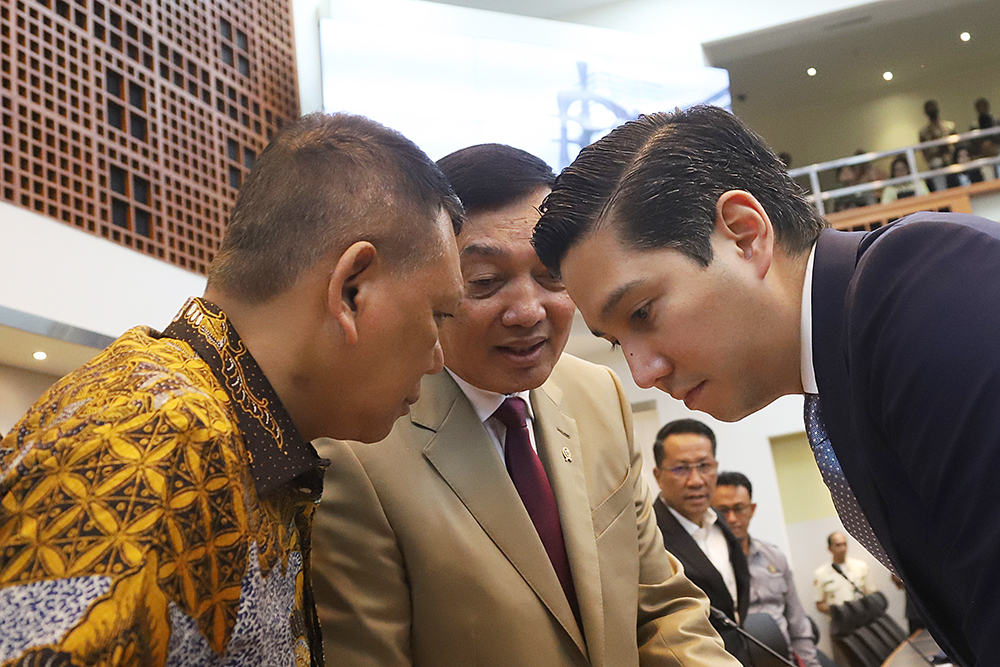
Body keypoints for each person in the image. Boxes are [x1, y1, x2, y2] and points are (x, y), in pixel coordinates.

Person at [532, 104, 1000, 667]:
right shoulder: (847, 355)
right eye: (614, 342)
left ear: (744, 233)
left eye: (643, 312)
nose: (642, 373)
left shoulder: (931, 286)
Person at [0, 112, 465, 666]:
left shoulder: (233, 432)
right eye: (438, 314)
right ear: (352, 290)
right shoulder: (158, 439)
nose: (438, 357)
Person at [312, 143, 739, 667]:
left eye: (550, 276)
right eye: (485, 283)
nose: (527, 311)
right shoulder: (356, 448)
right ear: (434, 285)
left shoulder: (597, 396)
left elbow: (661, 608)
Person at [651, 419, 751, 664]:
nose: (696, 480)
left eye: (704, 466)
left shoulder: (719, 520)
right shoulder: (649, 537)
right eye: (681, 469)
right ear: (658, 476)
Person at [714, 472, 822, 667]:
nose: (731, 518)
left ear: (752, 509)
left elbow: (798, 624)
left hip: (786, 660)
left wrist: (810, 664)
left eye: (739, 509)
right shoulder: (710, 568)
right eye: (723, 510)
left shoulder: (774, 557)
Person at [813, 532, 873, 613]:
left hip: (863, 615)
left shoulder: (861, 567)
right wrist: (838, 611)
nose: (842, 548)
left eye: (844, 544)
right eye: (838, 545)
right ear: (830, 548)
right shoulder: (821, 574)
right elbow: (820, 604)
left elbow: (871, 594)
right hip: (840, 620)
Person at [918, 99, 956, 191]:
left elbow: (956, 145)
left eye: (933, 108)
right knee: (941, 191)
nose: (931, 110)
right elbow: (924, 152)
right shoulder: (924, 132)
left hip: (951, 164)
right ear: (925, 112)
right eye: (929, 109)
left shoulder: (949, 126)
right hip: (936, 167)